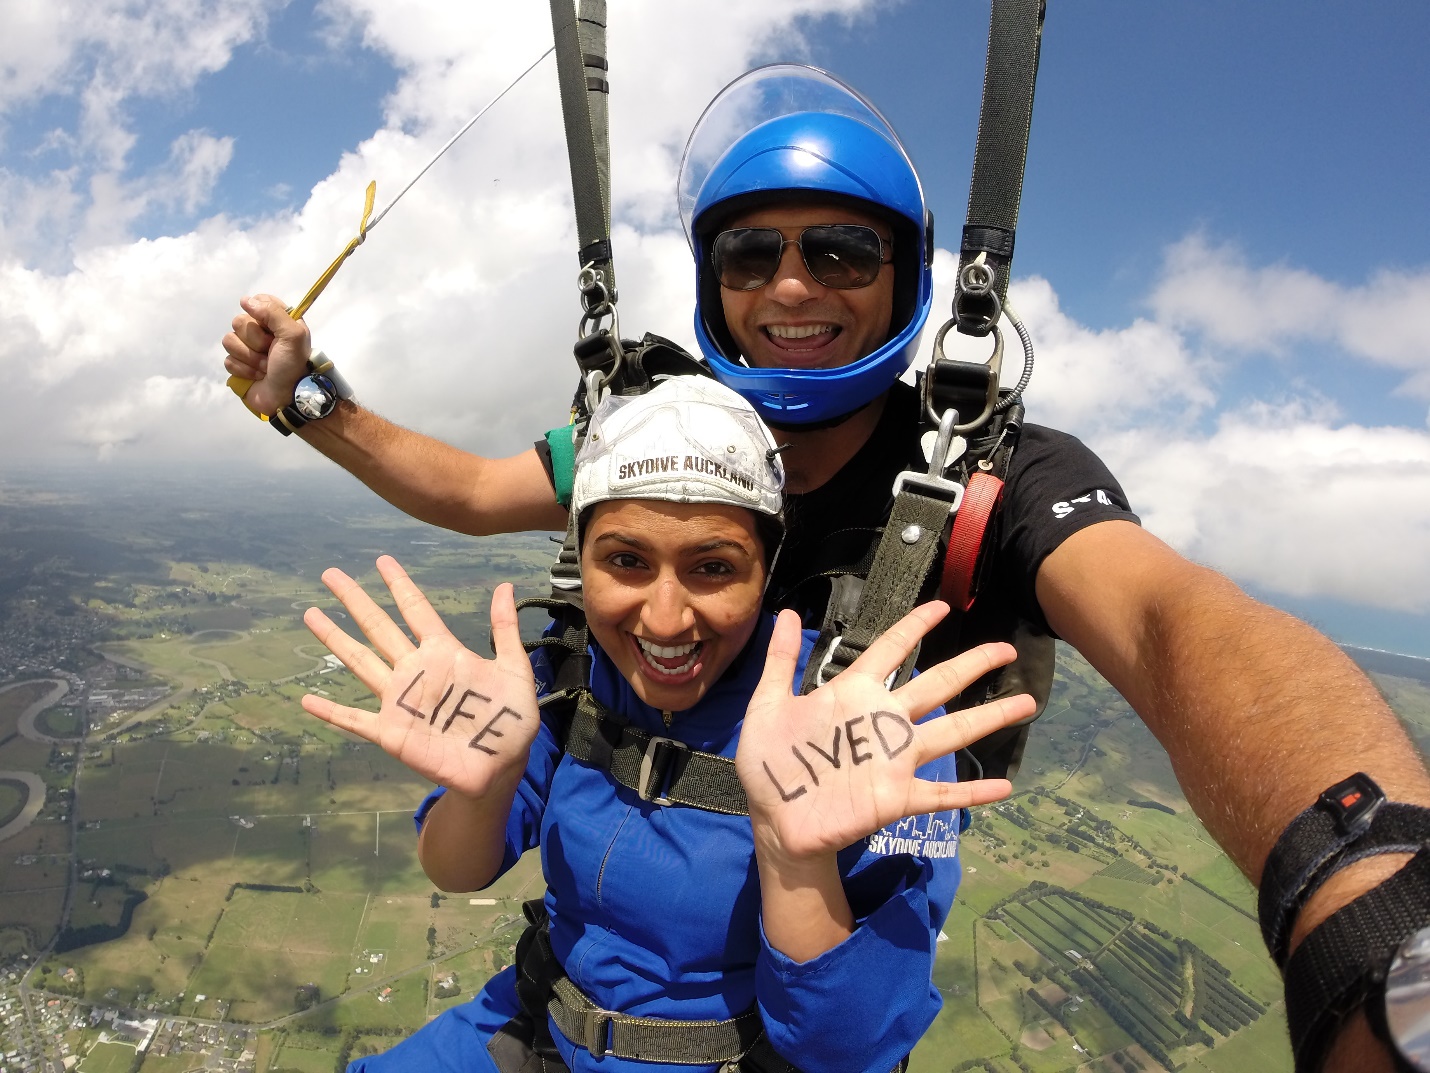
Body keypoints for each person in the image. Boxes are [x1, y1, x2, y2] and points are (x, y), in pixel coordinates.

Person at [226, 65, 1430, 1073]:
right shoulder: (657, 439)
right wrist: (307, 396)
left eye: (843, 251)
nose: (791, 286)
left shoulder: (990, 477)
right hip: (546, 1011)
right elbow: (469, 491)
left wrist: (1363, 883)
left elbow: (1174, 624)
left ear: (906, 273)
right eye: (750, 253)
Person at [300, 377, 1034, 1073]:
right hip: (534, 1026)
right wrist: (485, 787)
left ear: (767, 568)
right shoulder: (572, 669)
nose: (665, 619)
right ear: (581, 561)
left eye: (713, 568)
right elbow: (456, 871)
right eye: (625, 560)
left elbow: (847, 1049)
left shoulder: (861, 726)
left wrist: (796, 861)